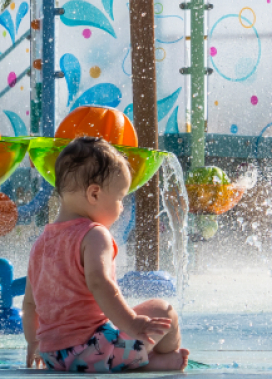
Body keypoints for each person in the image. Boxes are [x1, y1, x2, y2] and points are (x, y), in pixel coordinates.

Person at [22, 136, 189, 372]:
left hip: (53, 356)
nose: (121, 207)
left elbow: (29, 303)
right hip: (92, 351)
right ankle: (160, 359)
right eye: (120, 198)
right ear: (94, 194)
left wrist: (34, 342)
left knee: (123, 325)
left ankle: (138, 358)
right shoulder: (93, 234)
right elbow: (100, 283)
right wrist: (131, 322)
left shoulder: (41, 242)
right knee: (164, 311)